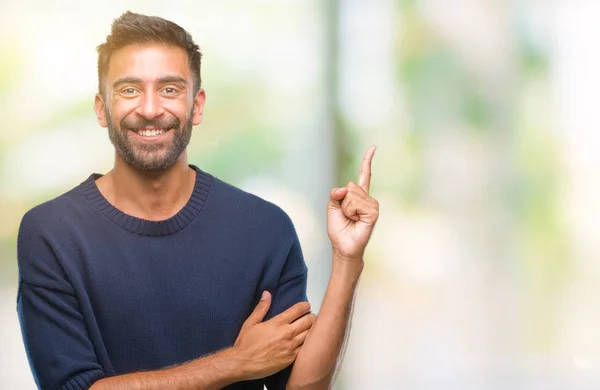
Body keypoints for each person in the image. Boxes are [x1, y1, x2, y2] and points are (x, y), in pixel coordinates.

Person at [16, 11, 379, 390]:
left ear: (198, 105)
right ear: (101, 108)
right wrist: (235, 363)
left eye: (170, 89)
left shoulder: (263, 227)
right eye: (129, 90)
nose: (151, 108)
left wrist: (347, 260)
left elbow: (304, 387)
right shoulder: (50, 232)